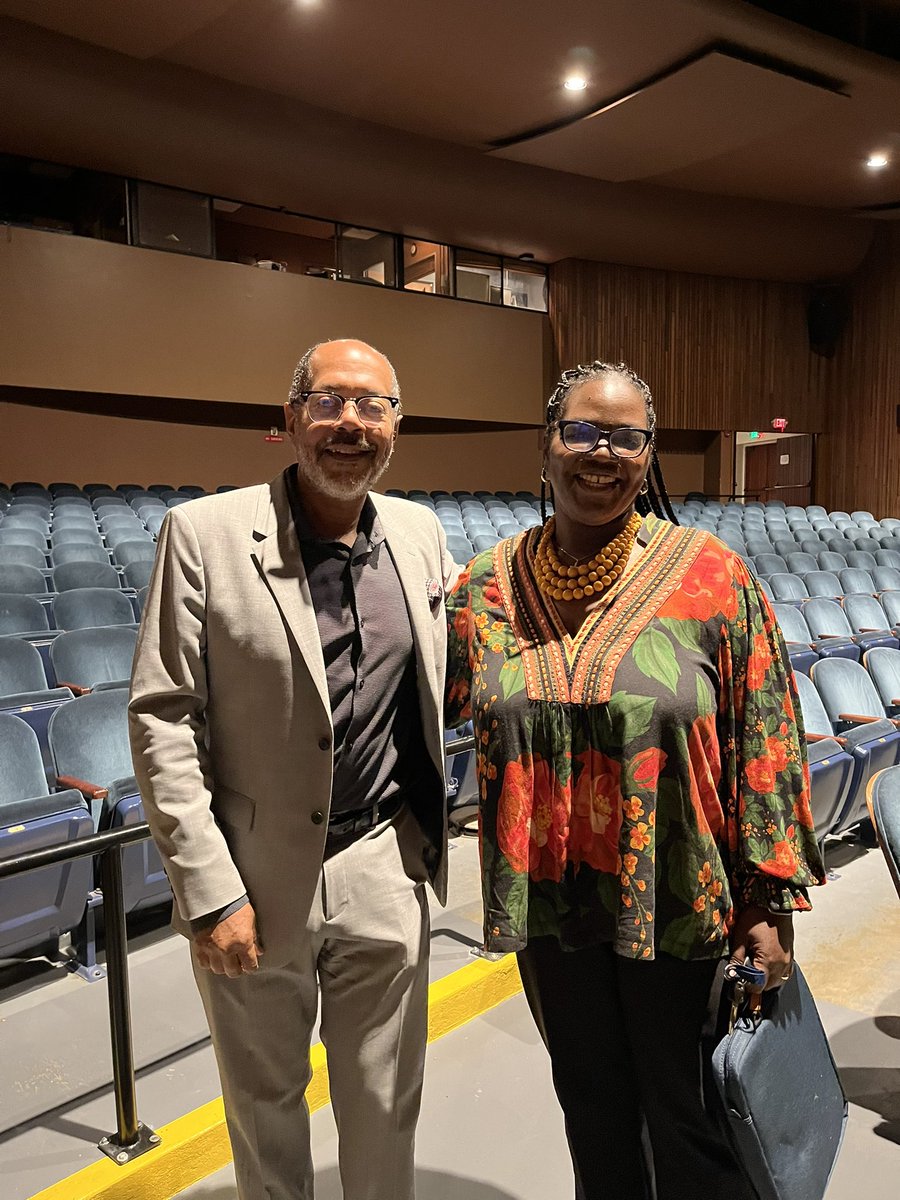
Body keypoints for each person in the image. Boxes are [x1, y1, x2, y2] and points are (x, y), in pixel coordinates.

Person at [445, 360, 826, 1200]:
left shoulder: (712, 576)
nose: (601, 452)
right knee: (591, 1110)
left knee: (690, 1118)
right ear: (547, 445)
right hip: (552, 907)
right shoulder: (482, 590)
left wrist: (768, 904)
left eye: (626, 436)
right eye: (581, 430)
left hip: (684, 904)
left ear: (649, 455)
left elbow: (765, 740)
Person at [129, 338, 457, 1200]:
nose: (350, 423)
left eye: (372, 406)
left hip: (384, 861)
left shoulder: (421, 535)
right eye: (329, 401)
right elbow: (163, 718)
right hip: (252, 877)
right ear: (292, 418)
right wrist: (209, 891)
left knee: (386, 1105)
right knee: (265, 1104)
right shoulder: (201, 534)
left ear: (396, 427)